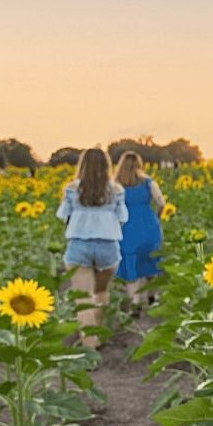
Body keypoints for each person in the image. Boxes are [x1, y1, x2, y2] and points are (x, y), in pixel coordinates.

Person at [56, 148, 128, 348]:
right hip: (108, 245)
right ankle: (100, 333)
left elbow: (63, 216)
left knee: (84, 298)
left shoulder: (71, 188)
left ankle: (89, 344)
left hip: (79, 245)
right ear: (107, 166)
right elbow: (123, 218)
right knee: (102, 292)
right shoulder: (116, 190)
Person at [113, 151, 165, 307]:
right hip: (148, 226)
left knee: (131, 264)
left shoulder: (116, 186)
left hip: (126, 228)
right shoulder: (148, 182)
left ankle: (134, 302)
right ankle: (152, 296)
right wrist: (156, 216)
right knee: (151, 262)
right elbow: (161, 202)